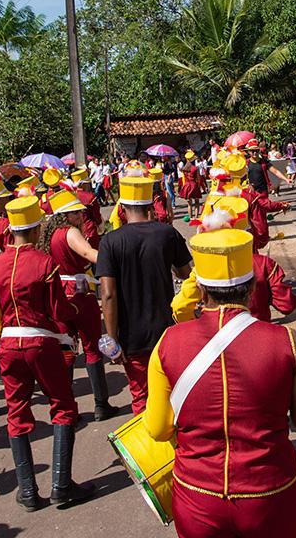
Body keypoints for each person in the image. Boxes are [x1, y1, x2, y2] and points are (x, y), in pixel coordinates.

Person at [143, 228, 296, 538]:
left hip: (197, 495)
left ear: (200, 290)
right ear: (252, 289)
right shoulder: (288, 342)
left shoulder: (167, 343)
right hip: (271, 492)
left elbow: (159, 428)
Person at [0, 196, 95, 511]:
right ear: (35, 229)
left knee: (16, 414)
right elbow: (58, 309)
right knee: (63, 407)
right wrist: (75, 308)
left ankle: (28, 491)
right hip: (40, 344)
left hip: (7, 345)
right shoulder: (45, 264)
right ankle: (61, 485)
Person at [96, 172, 193, 415]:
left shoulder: (110, 241)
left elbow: (108, 295)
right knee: (172, 393)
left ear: (122, 208)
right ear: (150, 205)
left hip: (131, 336)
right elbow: (185, 273)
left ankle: (149, 450)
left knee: (140, 397)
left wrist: (112, 338)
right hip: (167, 329)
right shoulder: (167, 233)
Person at [39, 189, 116, 421]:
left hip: (59, 292)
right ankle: (101, 404)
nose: (82, 215)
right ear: (68, 215)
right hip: (79, 291)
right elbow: (89, 253)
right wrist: (113, 257)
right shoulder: (69, 232)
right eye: (77, 212)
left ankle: (66, 407)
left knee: (67, 349)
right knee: (92, 348)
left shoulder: (49, 234)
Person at [172, 196, 296, 324]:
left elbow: (180, 307)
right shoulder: (264, 264)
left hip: (215, 339)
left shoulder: (204, 267)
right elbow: (286, 305)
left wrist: (196, 327)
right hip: (259, 336)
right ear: (248, 232)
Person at [178, 150, 205, 220]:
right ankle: (196, 216)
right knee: (196, 202)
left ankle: (190, 216)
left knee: (189, 204)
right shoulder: (195, 168)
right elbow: (198, 179)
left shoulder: (184, 168)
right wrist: (199, 186)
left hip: (187, 185)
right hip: (194, 185)